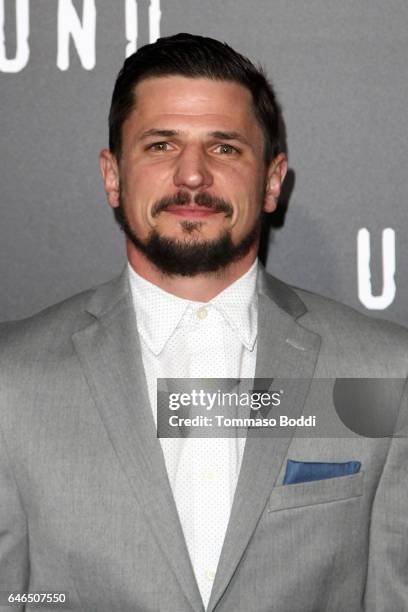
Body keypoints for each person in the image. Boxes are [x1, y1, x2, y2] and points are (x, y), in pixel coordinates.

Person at [0, 33, 407, 612]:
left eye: (224, 149)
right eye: (162, 145)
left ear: (271, 180)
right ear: (113, 175)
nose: (192, 176)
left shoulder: (386, 371)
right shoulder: (11, 380)